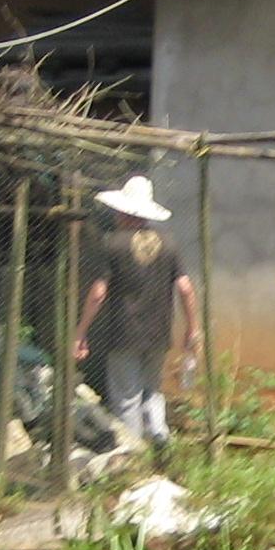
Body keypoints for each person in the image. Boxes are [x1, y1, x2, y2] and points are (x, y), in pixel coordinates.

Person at [74, 174, 198, 446]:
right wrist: (192, 328)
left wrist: (81, 331)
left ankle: (133, 452)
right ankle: (159, 436)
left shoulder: (112, 244)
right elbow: (186, 288)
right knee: (152, 390)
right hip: (159, 332)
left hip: (124, 332)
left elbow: (98, 292)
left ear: (123, 211)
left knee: (126, 396)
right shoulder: (169, 244)